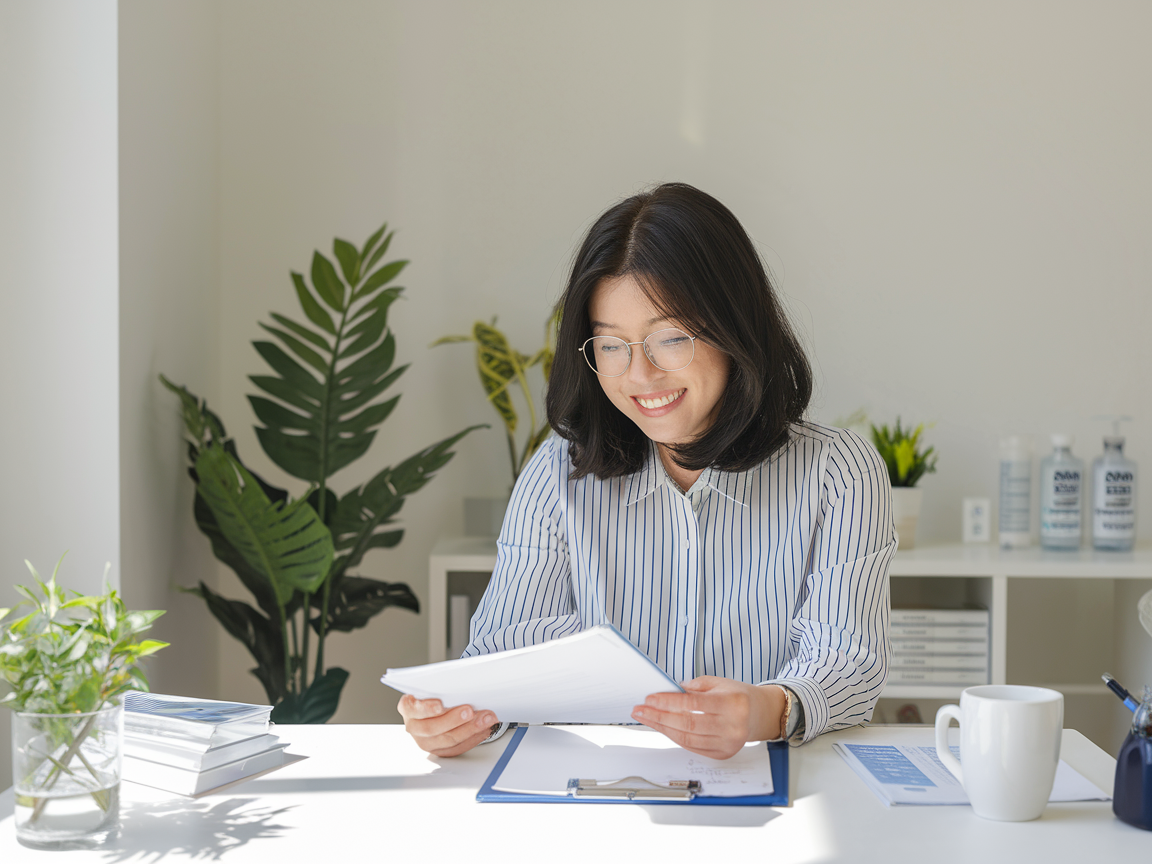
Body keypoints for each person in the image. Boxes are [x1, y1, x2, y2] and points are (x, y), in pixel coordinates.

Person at [399, 182, 895, 759]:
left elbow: (848, 666)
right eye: (612, 346)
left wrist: (766, 710)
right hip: (598, 800)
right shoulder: (558, 475)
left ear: (735, 329)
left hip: (774, 797)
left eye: (670, 338)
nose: (641, 374)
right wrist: (458, 718)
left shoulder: (839, 473)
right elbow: (501, 656)